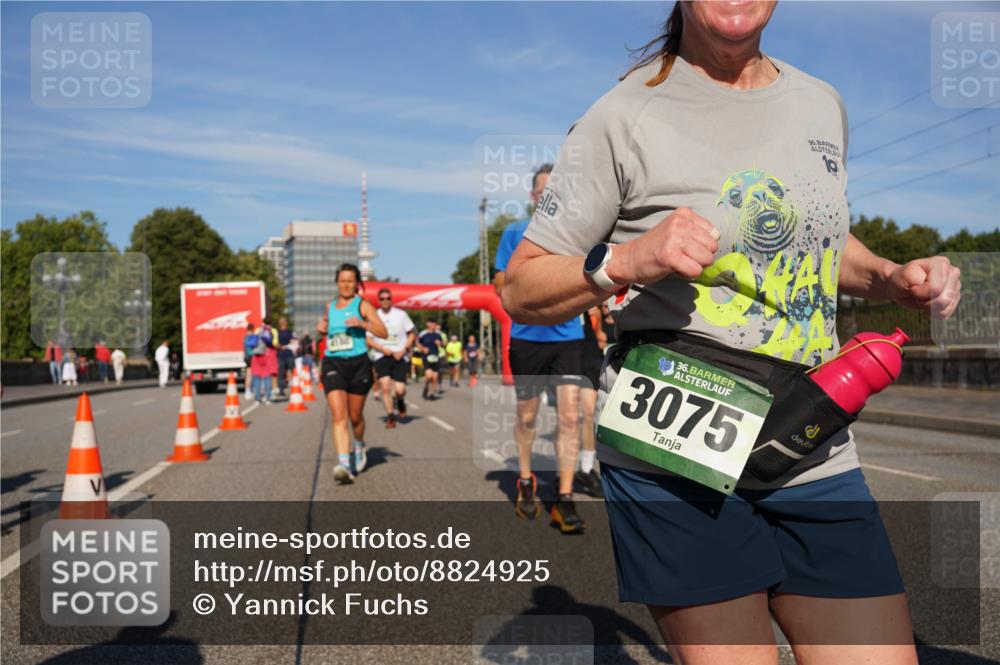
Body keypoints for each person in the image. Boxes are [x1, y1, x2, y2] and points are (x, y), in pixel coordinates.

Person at [499, 2, 962, 661]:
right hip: (677, 451)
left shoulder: (821, 103)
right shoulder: (620, 116)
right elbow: (520, 286)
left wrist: (891, 275)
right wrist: (628, 260)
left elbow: (821, 238)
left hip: (808, 437)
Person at [494, 163, 585, 534]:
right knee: (528, 417)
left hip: (568, 338)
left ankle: (564, 498)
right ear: (533, 197)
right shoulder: (515, 233)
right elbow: (502, 283)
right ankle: (527, 479)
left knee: (570, 416)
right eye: (542, 191)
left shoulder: (577, 233)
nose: (547, 197)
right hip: (529, 339)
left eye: (554, 191)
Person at [317, 264, 388, 484]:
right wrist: (321, 327)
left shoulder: (363, 305)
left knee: (355, 417)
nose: (346, 284)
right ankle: (344, 465)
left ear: (357, 283)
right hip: (333, 363)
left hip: (358, 364)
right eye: (342, 280)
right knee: (339, 415)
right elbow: (327, 329)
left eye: (350, 280)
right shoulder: (330, 306)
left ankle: (359, 445)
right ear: (336, 282)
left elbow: (383, 332)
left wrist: (362, 323)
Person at [367, 287, 417, 428]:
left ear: (391, 299)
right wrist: (382, 349)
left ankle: (400, 401)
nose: (385, 301)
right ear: (378, 300)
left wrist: (404, 349)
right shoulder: (374, 316)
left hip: (399, 355)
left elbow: (411, 334)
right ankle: (390, 416)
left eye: (388, 298)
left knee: (400, 389)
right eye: (382, 299)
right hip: (381, 355)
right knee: (385, 386)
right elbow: (369, 340)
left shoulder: (401, 314)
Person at [574, 306, 605, 499]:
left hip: (587, 350)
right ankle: (564, 474)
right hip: (562, 347)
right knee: (567, 417)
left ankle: (585, 469)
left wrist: (598, 319)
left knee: (589, 412)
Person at [250, 319, 276, 404]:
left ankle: (257, 398)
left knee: (257, 377)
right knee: (267, 377)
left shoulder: (257, 330)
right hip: (265, 355)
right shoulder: (269, 331)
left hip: (256, 355)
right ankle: (267, 397)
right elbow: (272, 343)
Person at [417, 320, 445, 400]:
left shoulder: (438, 334)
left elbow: (443, 344)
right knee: (429, 376)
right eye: (433, 324)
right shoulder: (423, 334)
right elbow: (417, 343)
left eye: (435, 324)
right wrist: (422, 349)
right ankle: (426, 388)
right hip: (426, 357)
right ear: (428, 324)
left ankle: (432, 393)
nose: (434, 326)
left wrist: (440, 343)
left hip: (435, 357)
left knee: (435, 377)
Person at [276, 317, 295, 396]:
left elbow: (276, 343)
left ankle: (284, 387)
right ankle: (285, 387)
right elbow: (292, 341)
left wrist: (281, 346)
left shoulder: (280, 332)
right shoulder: (287, 332)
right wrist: (284, 346)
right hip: (285, 354)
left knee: (283, 372)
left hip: (284, 354)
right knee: (287, 371)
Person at [243, 323, 257, 400]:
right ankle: (251, 390)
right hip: (252, 357)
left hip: (246, 357)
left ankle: (247, 390)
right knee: (252, 374)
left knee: (248, 374)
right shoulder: (253, 337)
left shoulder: (245, 337)